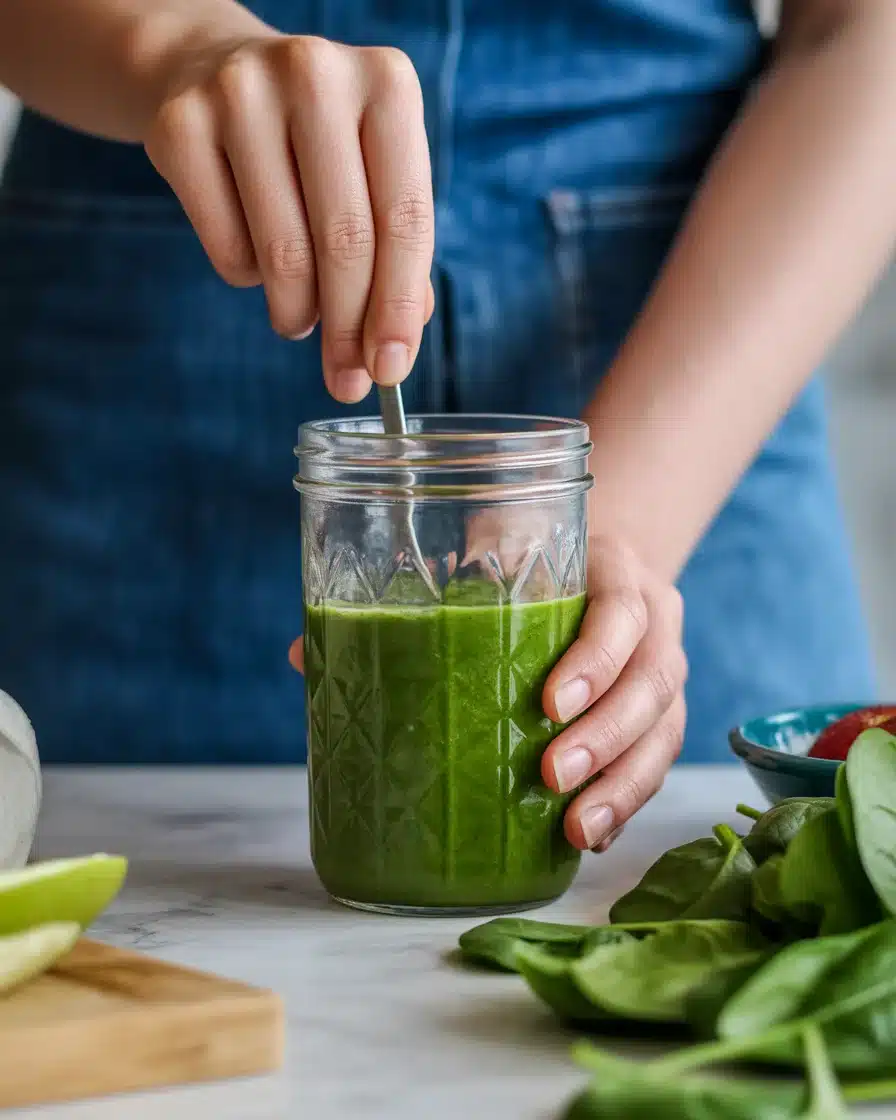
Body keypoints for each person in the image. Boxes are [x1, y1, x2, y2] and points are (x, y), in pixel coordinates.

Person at [0, 0, 892, 853]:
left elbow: (863, 29)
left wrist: (607, 522)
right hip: (144, 330)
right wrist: (169, 44)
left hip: (707, 343)